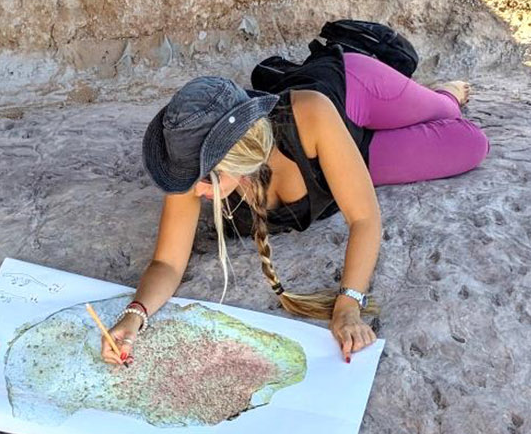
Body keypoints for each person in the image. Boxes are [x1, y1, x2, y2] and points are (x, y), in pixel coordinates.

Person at [106, 50, 489, 365]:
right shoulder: (193, 168)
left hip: (350, 90)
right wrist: (134, 316)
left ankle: (446, 92)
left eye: (206, 181)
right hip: (352, 154)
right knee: (468, 144)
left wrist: (348, 306)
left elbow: (365, 218)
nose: (194, 190)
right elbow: (167, 264)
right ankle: (387, 132)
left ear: (240, 157)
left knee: (446, 114)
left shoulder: (309, 115)